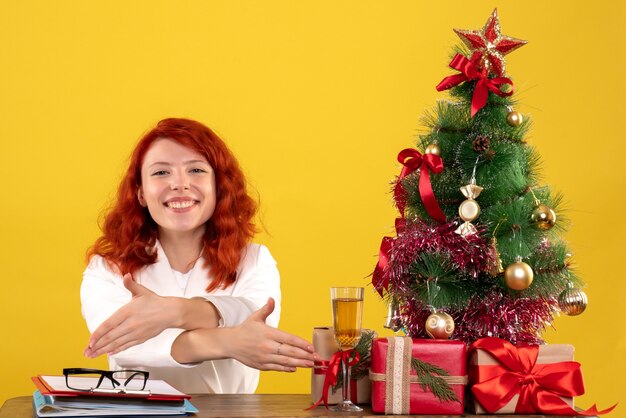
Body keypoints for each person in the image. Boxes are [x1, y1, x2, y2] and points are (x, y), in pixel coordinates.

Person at [81, 118, 317, 394]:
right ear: (141, 193)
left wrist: (172, 312)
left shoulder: (254, 259)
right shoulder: (108, 268)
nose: (180, 184)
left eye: (195, 170)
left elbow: (254, 318)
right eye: (160, 173)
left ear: (218, 187)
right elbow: (123, 345)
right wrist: (228, 342)